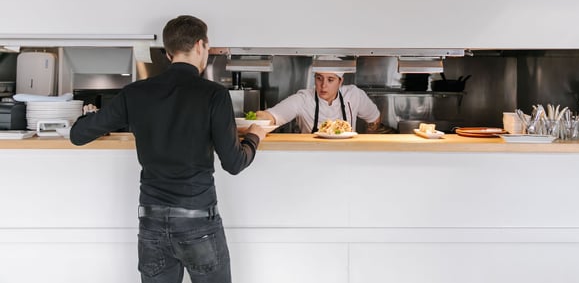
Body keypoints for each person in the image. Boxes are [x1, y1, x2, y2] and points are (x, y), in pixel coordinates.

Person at [70, 15, 266, 283]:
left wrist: (89, 117)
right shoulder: (214, 94)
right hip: (198, 222)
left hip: (152, 223)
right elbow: (234, 163)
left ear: (168, 52)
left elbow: (78, 135)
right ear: (200, 45)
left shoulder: (135, 93)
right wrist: (254, 136)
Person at [256, 57, 383, 133]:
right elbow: (272, 116)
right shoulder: (303, 99)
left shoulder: (354, 95)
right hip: (311, 158)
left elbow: (374, 119)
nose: (323, 85)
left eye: (330, 80)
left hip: (346, 156)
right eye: (319, 78)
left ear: (340, 81)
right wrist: (259, 118)